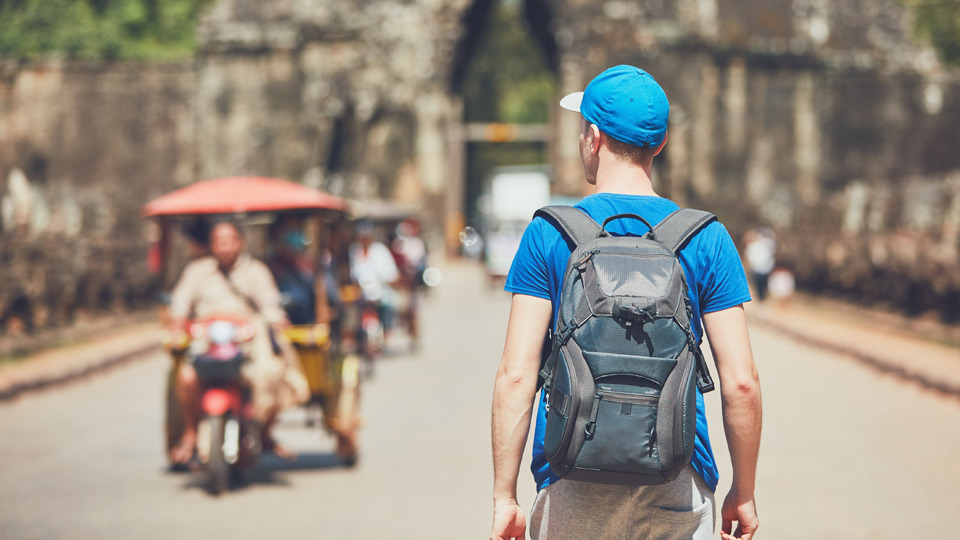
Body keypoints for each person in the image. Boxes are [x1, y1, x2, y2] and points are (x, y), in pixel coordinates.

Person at [490, 65, 762, 540]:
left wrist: (505, 496)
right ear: (659, 145)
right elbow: (741, 383)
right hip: (676, 475)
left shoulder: (550, 233)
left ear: (592, 138)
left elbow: (516, 375)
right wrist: (745, 489)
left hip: (570, 475)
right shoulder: (706, 237)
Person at [167, 220, 310, 464]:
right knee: (186, 377)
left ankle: (263, 432)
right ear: (211, 245)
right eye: (218, 242)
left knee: (271, 373)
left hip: (247, 338)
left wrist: (276, 320)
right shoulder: (197, 272)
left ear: (240, 243)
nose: (223, 247)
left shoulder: (256, 271)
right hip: (208, 338)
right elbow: (181, 303)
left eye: (228, 241)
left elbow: (270, 305)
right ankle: (190, 433)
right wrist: (177, 320)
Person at [348, 220, 400, 338]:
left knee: (388, 307)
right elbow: (354, 274)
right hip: (363, 294)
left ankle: (387, 330)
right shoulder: (355, 251)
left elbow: (391, 273)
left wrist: (387, 280)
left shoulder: (380, 251)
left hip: (381, 292)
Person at [743, 226, 777, 303]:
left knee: (764, 288)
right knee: (758, 288)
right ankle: (760, 302)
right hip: (757, 270)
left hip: (765, 270)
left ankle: (762, 302)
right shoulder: (751, 246)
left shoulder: (766, 243)